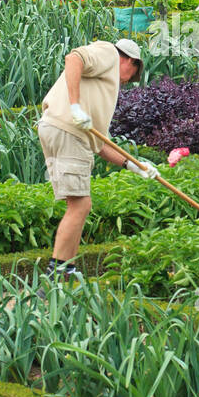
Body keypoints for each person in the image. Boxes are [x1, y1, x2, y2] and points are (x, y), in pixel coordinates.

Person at [37, 37, 158, 280]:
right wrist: (75, 106)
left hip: (64, 131)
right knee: (80, 205)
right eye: (132, 74)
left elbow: (100, 144)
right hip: (68, 130)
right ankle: (54, 277)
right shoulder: (109, 54)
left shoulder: (104, 83)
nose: (127, 81)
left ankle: (66, 270)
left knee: (80, 204)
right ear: (130, 61)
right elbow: (74, 58)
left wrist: (134, 165)